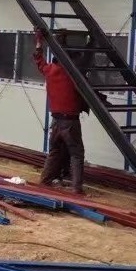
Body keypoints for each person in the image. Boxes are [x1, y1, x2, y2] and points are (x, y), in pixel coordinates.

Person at [33, 28, 87, 195]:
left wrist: (39, 40)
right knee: (76, 154)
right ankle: (76, 188)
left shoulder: (49, 71)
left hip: (56, 121)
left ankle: (45, 180)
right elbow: (85, 62)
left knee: (54, 152)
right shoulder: (73, 74)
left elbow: (38, 58)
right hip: (70, 121)